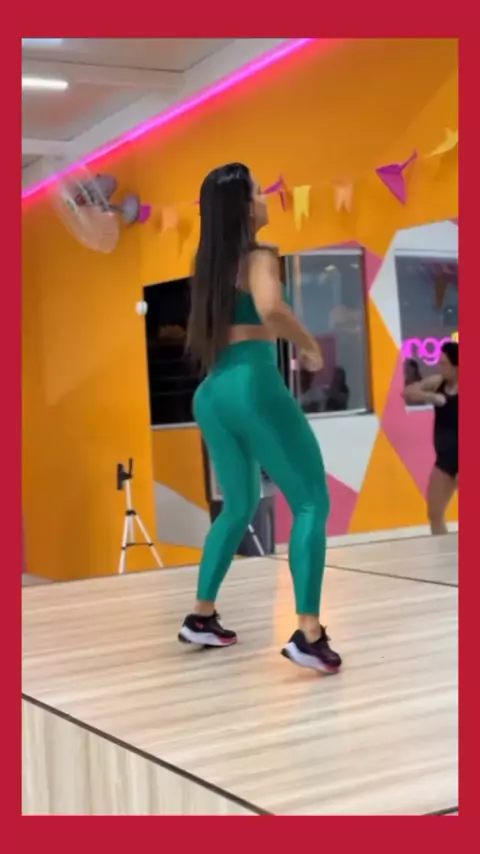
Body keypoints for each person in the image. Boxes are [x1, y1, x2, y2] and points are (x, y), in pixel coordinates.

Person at [179, 163, 341, 674]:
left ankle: (201, 615)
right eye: (257, 190)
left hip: (213, 394)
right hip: (252, 384)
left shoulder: (208, 267)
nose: (267, 195)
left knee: (238, 505)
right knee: (311, 501)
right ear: (245, 208)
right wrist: (310, 345)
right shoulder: (259, 256)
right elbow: (271, 309)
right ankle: (309, 634)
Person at [403, 341, 458, 535]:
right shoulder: (438, 382)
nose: (440, 367)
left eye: (444, 364)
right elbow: (407, 392)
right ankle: (447, 551)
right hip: (445, 460)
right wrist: (431, 397)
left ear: (457, 366)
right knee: (434, 514)